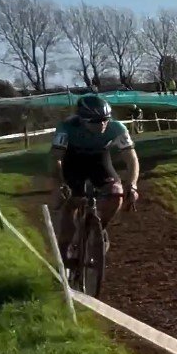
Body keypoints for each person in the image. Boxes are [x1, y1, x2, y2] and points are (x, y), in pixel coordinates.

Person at [51, 94, 138, 267]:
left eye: (105, 119)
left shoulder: (117, 128)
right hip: (73, 161)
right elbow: (56, 158)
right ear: (82, 120)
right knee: (73, 201)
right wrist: (60, 182)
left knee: (116, 193)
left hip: (99, 160)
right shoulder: (66, 127)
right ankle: (63, 254)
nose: (103, 125)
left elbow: (131, 158)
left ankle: (99, 228)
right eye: (96, 121)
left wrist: (132, 185)